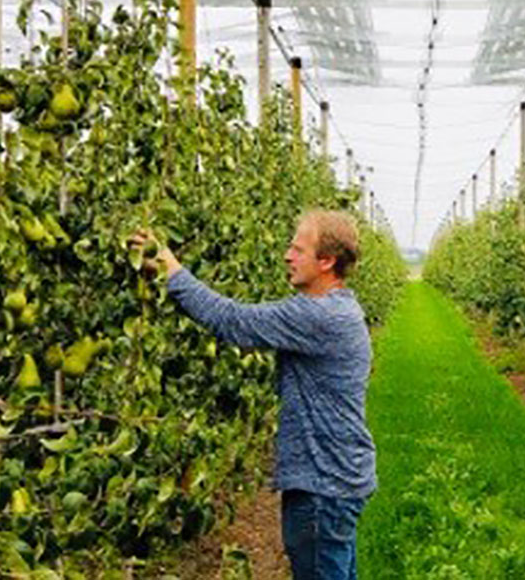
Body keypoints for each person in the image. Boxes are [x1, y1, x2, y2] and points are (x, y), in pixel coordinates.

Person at [128, 210, 376, 580]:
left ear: (326, 261)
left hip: (323, 485)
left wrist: (173, 270)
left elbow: (233, 321)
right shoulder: (338, 309)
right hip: (334, 480)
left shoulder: (318, 316)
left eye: (298, 249)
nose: (287, 256)